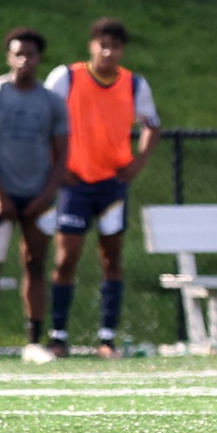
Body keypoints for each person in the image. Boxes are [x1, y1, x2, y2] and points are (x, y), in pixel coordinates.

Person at [43, 18, 160, 359]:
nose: (108, 52)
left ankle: (107, 338)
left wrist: (139, 161)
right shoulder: (66, 77)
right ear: (91, 45)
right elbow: (45, 119)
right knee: (66, 258)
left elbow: (152, 124)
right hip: (75, 184)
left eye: (115, 47)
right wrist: (58, 166)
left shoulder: (134, 84)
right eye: (102, 45)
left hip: (112, 185)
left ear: (122, 51)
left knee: (112, 259)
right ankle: (58, 336)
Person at [0, 27, 69, 363]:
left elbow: (63, 153)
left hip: (37, 195)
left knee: (35, 264)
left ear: (40, 59)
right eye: (18, 53)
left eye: (31, 54)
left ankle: (33, 342)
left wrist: (46, 194)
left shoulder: (51, 102)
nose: (25, 60)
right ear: (9, 56)